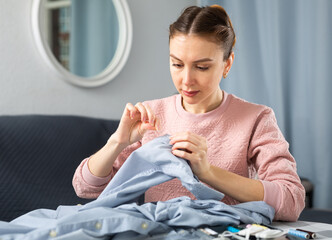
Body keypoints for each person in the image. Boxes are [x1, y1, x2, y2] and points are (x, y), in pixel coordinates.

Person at [72, 5, 305, 221]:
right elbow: (85, 187)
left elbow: (292, 200)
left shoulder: (256, 118)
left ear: (227, 64)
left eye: (202, 67)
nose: (186, 80)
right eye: (177, 64)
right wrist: (118, 142)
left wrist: (208, 173)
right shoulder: (151, 115)